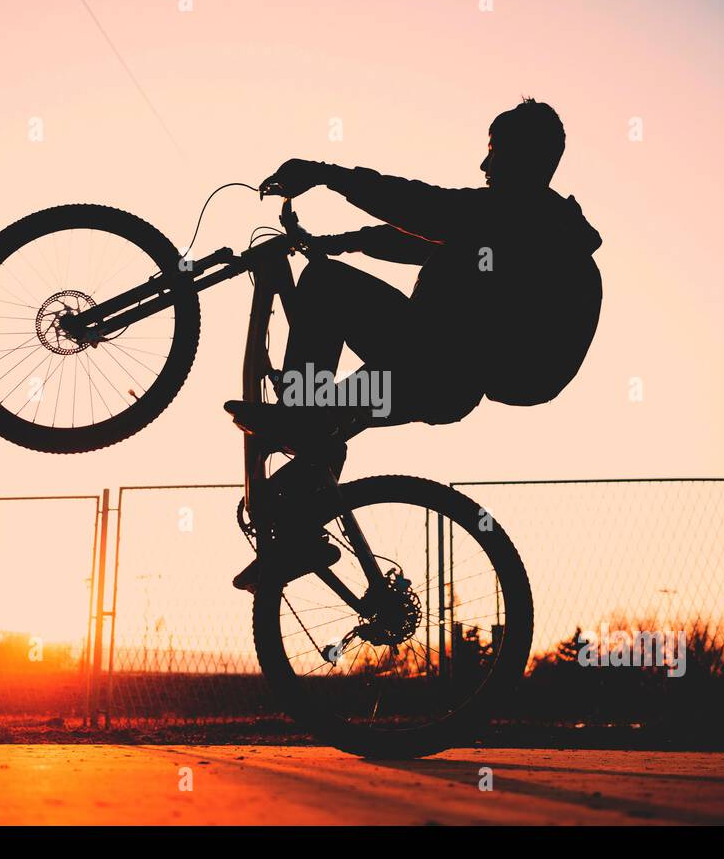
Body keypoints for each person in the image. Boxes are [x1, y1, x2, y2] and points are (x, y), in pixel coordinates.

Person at [227, 98, 603, 591]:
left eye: (496, 152)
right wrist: (338, 241)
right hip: (427, 379)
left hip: (435, 366)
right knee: (322, 432)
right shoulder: (521, 227)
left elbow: (426, 209)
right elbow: (417, 237)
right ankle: (301, 531)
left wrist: (325, 173)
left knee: (325, 286)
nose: (485, 165)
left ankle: (301, 417)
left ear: (529, 158)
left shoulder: (524, 218)